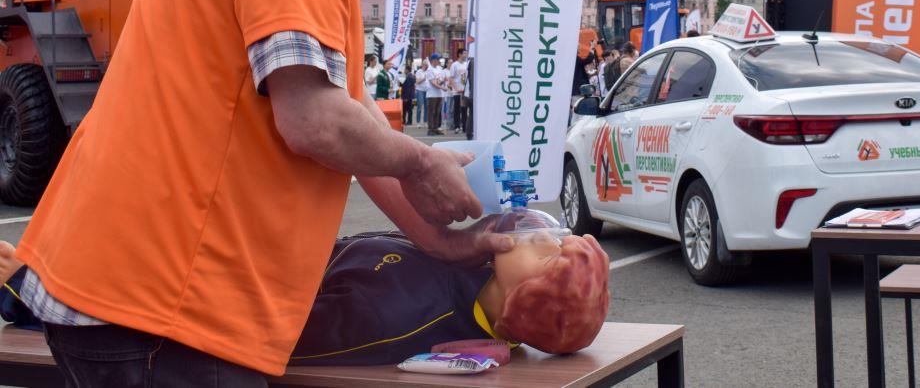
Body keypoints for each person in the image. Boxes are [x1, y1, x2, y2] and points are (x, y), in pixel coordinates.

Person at [13, 0, 505, 384]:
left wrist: (439, 240)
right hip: (164, 304)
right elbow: (313, 121)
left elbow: (350, 115)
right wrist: (420, 162)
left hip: (155, 299)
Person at [1, 231, 610, 364]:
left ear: (524, 302)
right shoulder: (466, 268)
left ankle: (24, 293)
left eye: (551, 254)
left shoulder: (406, 315)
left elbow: (284, 336)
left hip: (204, 297)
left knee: (53, 278)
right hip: (244, 261)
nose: (542, 235)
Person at [426, 53, 446, 136]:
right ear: (434, 60)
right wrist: (442, 88)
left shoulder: (439, 69)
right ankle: (431, 129)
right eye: (438, 59)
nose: (439, 61)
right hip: (432, 94)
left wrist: (443, 82)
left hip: (439, 94)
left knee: (437, 112)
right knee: (432, 112)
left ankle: (436, 128)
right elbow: (433, 82)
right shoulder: (430, 70)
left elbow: (439, 80)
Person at [449, 49, 469, 133]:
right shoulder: (454, 65)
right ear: (459, 54)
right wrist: (456, 88)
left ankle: (464, 127)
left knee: (464, 109)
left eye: (466, 53)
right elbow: (451, 78)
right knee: (457, 109)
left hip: (465, 90)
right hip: (457, 90)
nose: (466, 55)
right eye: (464, 53)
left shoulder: (466, 64)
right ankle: (457, 126)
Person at [414, 60, 430, 127]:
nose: (427, 66)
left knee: (427, 107)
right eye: (426, 65)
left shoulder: (428, 71)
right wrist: (424, 78)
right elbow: (417, 82)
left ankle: (425, 121)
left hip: (427, 90)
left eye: (427, 65)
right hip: (420, 90)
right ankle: (418, 122)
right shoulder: (419, 71)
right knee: (420, 106)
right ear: (423, 65)